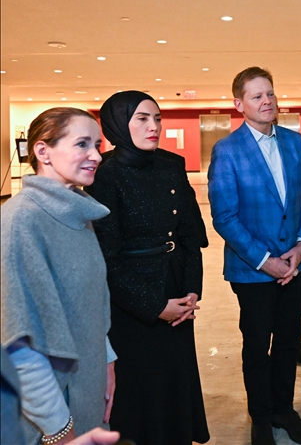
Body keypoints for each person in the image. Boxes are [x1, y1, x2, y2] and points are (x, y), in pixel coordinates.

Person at [84, 91, 210, 445]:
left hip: (176, 288)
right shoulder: (104, 176)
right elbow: (106, 259)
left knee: (174, 380)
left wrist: (190, 291)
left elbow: (190, 233)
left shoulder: (171, 164)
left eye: (156, 118)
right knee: (140, 390)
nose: (153, 126)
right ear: (117, 124)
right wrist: (155, 307)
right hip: (131, 302)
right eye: (142, 118)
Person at [208, 67, 301, 445]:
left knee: (288, 341)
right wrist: (266, 261)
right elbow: (224, 217)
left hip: (296, 264)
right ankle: (260, 416)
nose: (267, 101)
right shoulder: (227, 151)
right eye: (257, 96)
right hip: (252, 272)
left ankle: (284, 410)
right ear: (239, 104)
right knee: (257, 346)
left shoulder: (296, 142)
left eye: (270, 93)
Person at [1, 108, 115, 444]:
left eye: (97, 144)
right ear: (42, 151)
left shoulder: (76, 212)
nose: (95, 155)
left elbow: (86, 303)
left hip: (85, 396)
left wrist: (105, 360)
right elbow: (19, 345)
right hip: (49, 420)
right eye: (82, 144)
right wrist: (59, 430)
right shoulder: (21, 222)